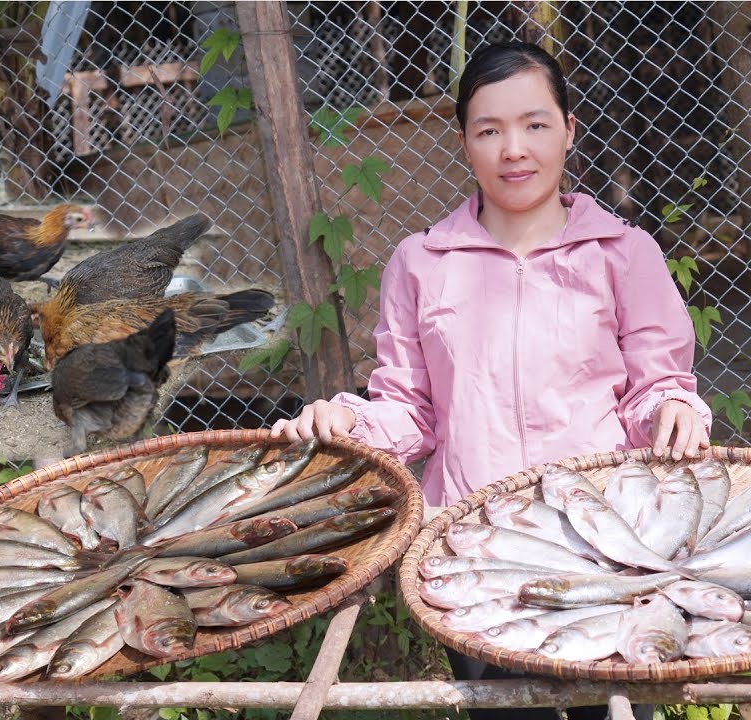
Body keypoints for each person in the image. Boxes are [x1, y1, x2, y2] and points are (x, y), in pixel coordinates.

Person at [271, 41, 711, 720]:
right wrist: (348, 422)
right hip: (474, 547)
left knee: (612, 712)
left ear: (568, 130)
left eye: (535, 125)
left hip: (607, 546)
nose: (514, 149)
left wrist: (675, 408)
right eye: (490, 130)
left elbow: (657, 386)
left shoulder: (624, 253)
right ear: (464, 143)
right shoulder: (421, 263)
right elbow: (412, 410)